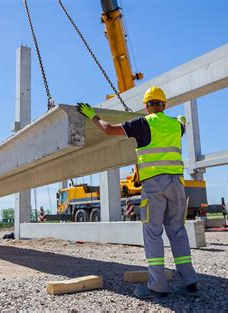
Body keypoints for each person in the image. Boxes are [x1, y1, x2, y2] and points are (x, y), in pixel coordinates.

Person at [76, 86, 198, 300]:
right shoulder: (175, 125)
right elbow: (182, 125)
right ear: (164, 104)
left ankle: (158, 287)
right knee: (178, 231)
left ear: (146, 106)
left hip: (154, 186)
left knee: (153, 233)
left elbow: (107, 128)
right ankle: (190, 282)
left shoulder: (142, 123)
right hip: (177, 184)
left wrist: (91, 115)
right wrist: (180, 120)